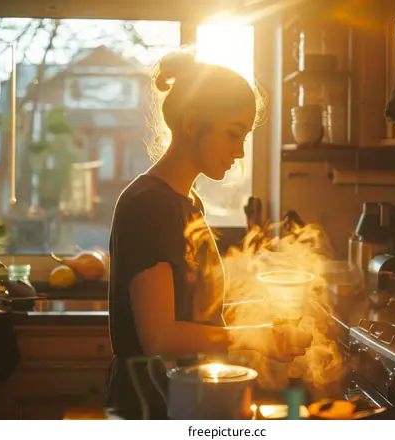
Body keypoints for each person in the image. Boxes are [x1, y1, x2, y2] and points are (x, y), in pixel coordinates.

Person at [104, 51, 313, 419]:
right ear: (190, 123)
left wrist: (264, 317)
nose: (240, 151)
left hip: (183, 393)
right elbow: (160, 336)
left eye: (245, 136)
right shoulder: (149, 205)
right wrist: (256, 336)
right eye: (233, 133)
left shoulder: (187, 201)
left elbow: (197, 315)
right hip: (150, 401)